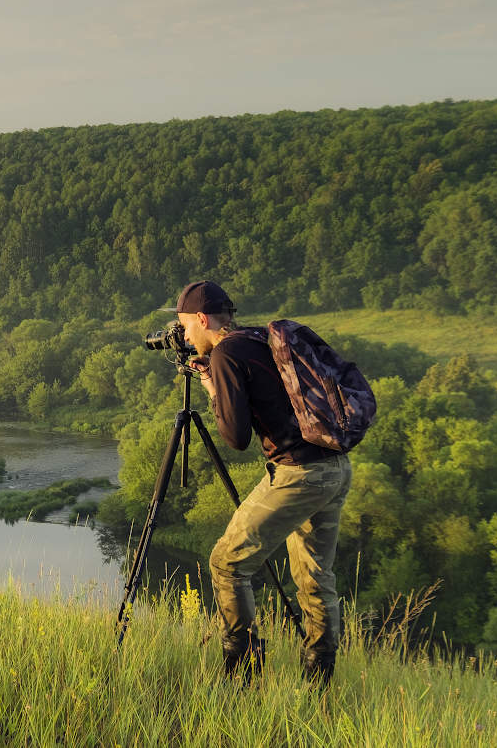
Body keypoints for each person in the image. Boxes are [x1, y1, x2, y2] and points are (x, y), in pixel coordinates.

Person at [165, 280, 352, 687]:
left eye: (185, 325)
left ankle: (243, 670)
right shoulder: (256, 339)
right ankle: (319, 680)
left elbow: (236, 438)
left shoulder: (226, 354)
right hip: (335, 468)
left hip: (298, 475)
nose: (184, 336)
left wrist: (213, 388)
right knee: (315, 577)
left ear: (202, 319)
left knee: (226, 563)